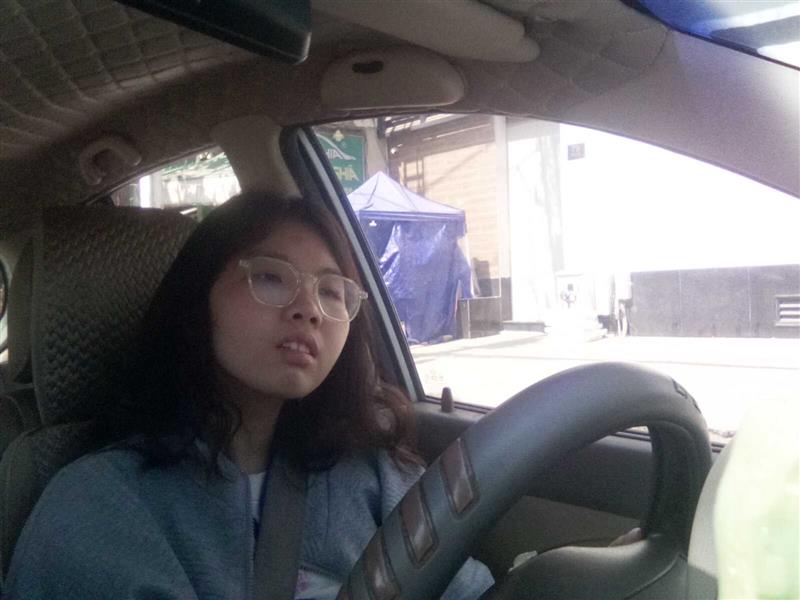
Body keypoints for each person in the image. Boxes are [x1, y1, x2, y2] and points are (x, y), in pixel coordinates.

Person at [4, 192, 494, 599]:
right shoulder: (97, 504)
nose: (310, 309)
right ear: (198, 298)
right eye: (270, 276)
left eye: (331, 291)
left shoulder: (370, 468)